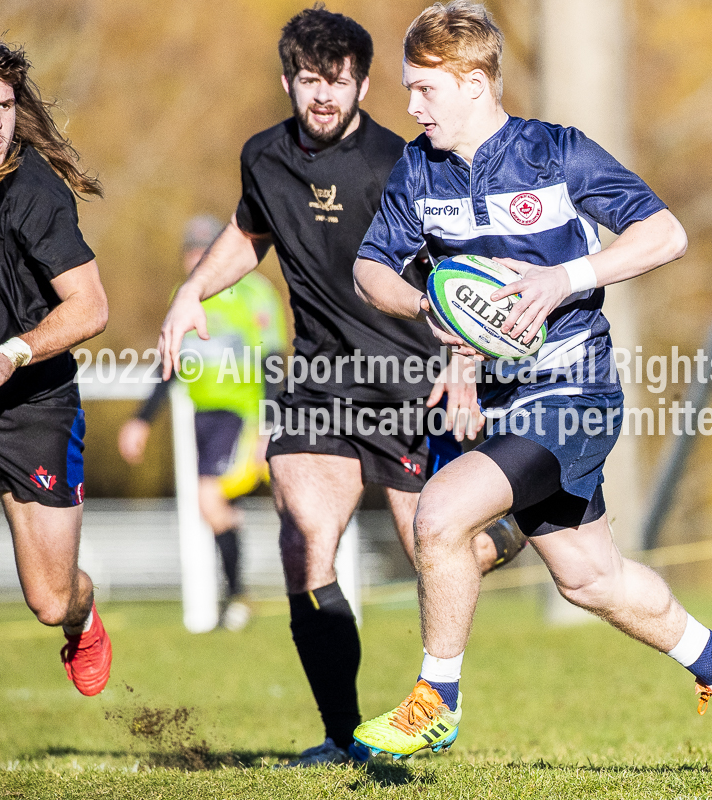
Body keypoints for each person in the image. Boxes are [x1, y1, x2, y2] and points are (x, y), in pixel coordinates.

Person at [352, 1, 712, 766]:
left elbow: (665, 234)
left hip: (573, 392)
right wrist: (428, 308)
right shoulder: (418, 168)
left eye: (424, 89)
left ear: (475, 83)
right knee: (590, 578)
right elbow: (369, 267)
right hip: (505, 404)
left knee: (440, 518)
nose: (410, 106)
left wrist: (563, 278)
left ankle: (436, 699)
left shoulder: (556, 154)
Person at [157, 6, 525, 766]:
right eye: (309, 80)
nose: (323, 95)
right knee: (304, 541)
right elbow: (249, 232)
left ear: (361, 82)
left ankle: (500, 534)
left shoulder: (404, 163)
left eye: (339, 80)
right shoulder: (262, 157)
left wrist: (463, 361)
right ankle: (342, 735)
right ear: (287, 79)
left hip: (408, 382)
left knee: (439, 550)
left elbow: (458, 271)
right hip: (319, 381)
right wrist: (192, 293)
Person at [0, 40, 112, 696]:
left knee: (50, 598)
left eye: (6, 106)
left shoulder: (33, 190)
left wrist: (11, 354)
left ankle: (83, 615)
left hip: (32, 403)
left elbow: (91, 307)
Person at [118, 214, 288, 631]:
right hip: (201, 418)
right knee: (219, 506)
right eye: (190, 250)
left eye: (204, 249)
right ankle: (238, 599)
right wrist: (141, 420)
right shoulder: (185, 296)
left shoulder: (255, 293)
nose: (195, 257)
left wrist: (268, 425)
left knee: (211, 500)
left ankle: (244, 594)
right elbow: (170, 366)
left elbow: (273, 365)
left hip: (243, 415)